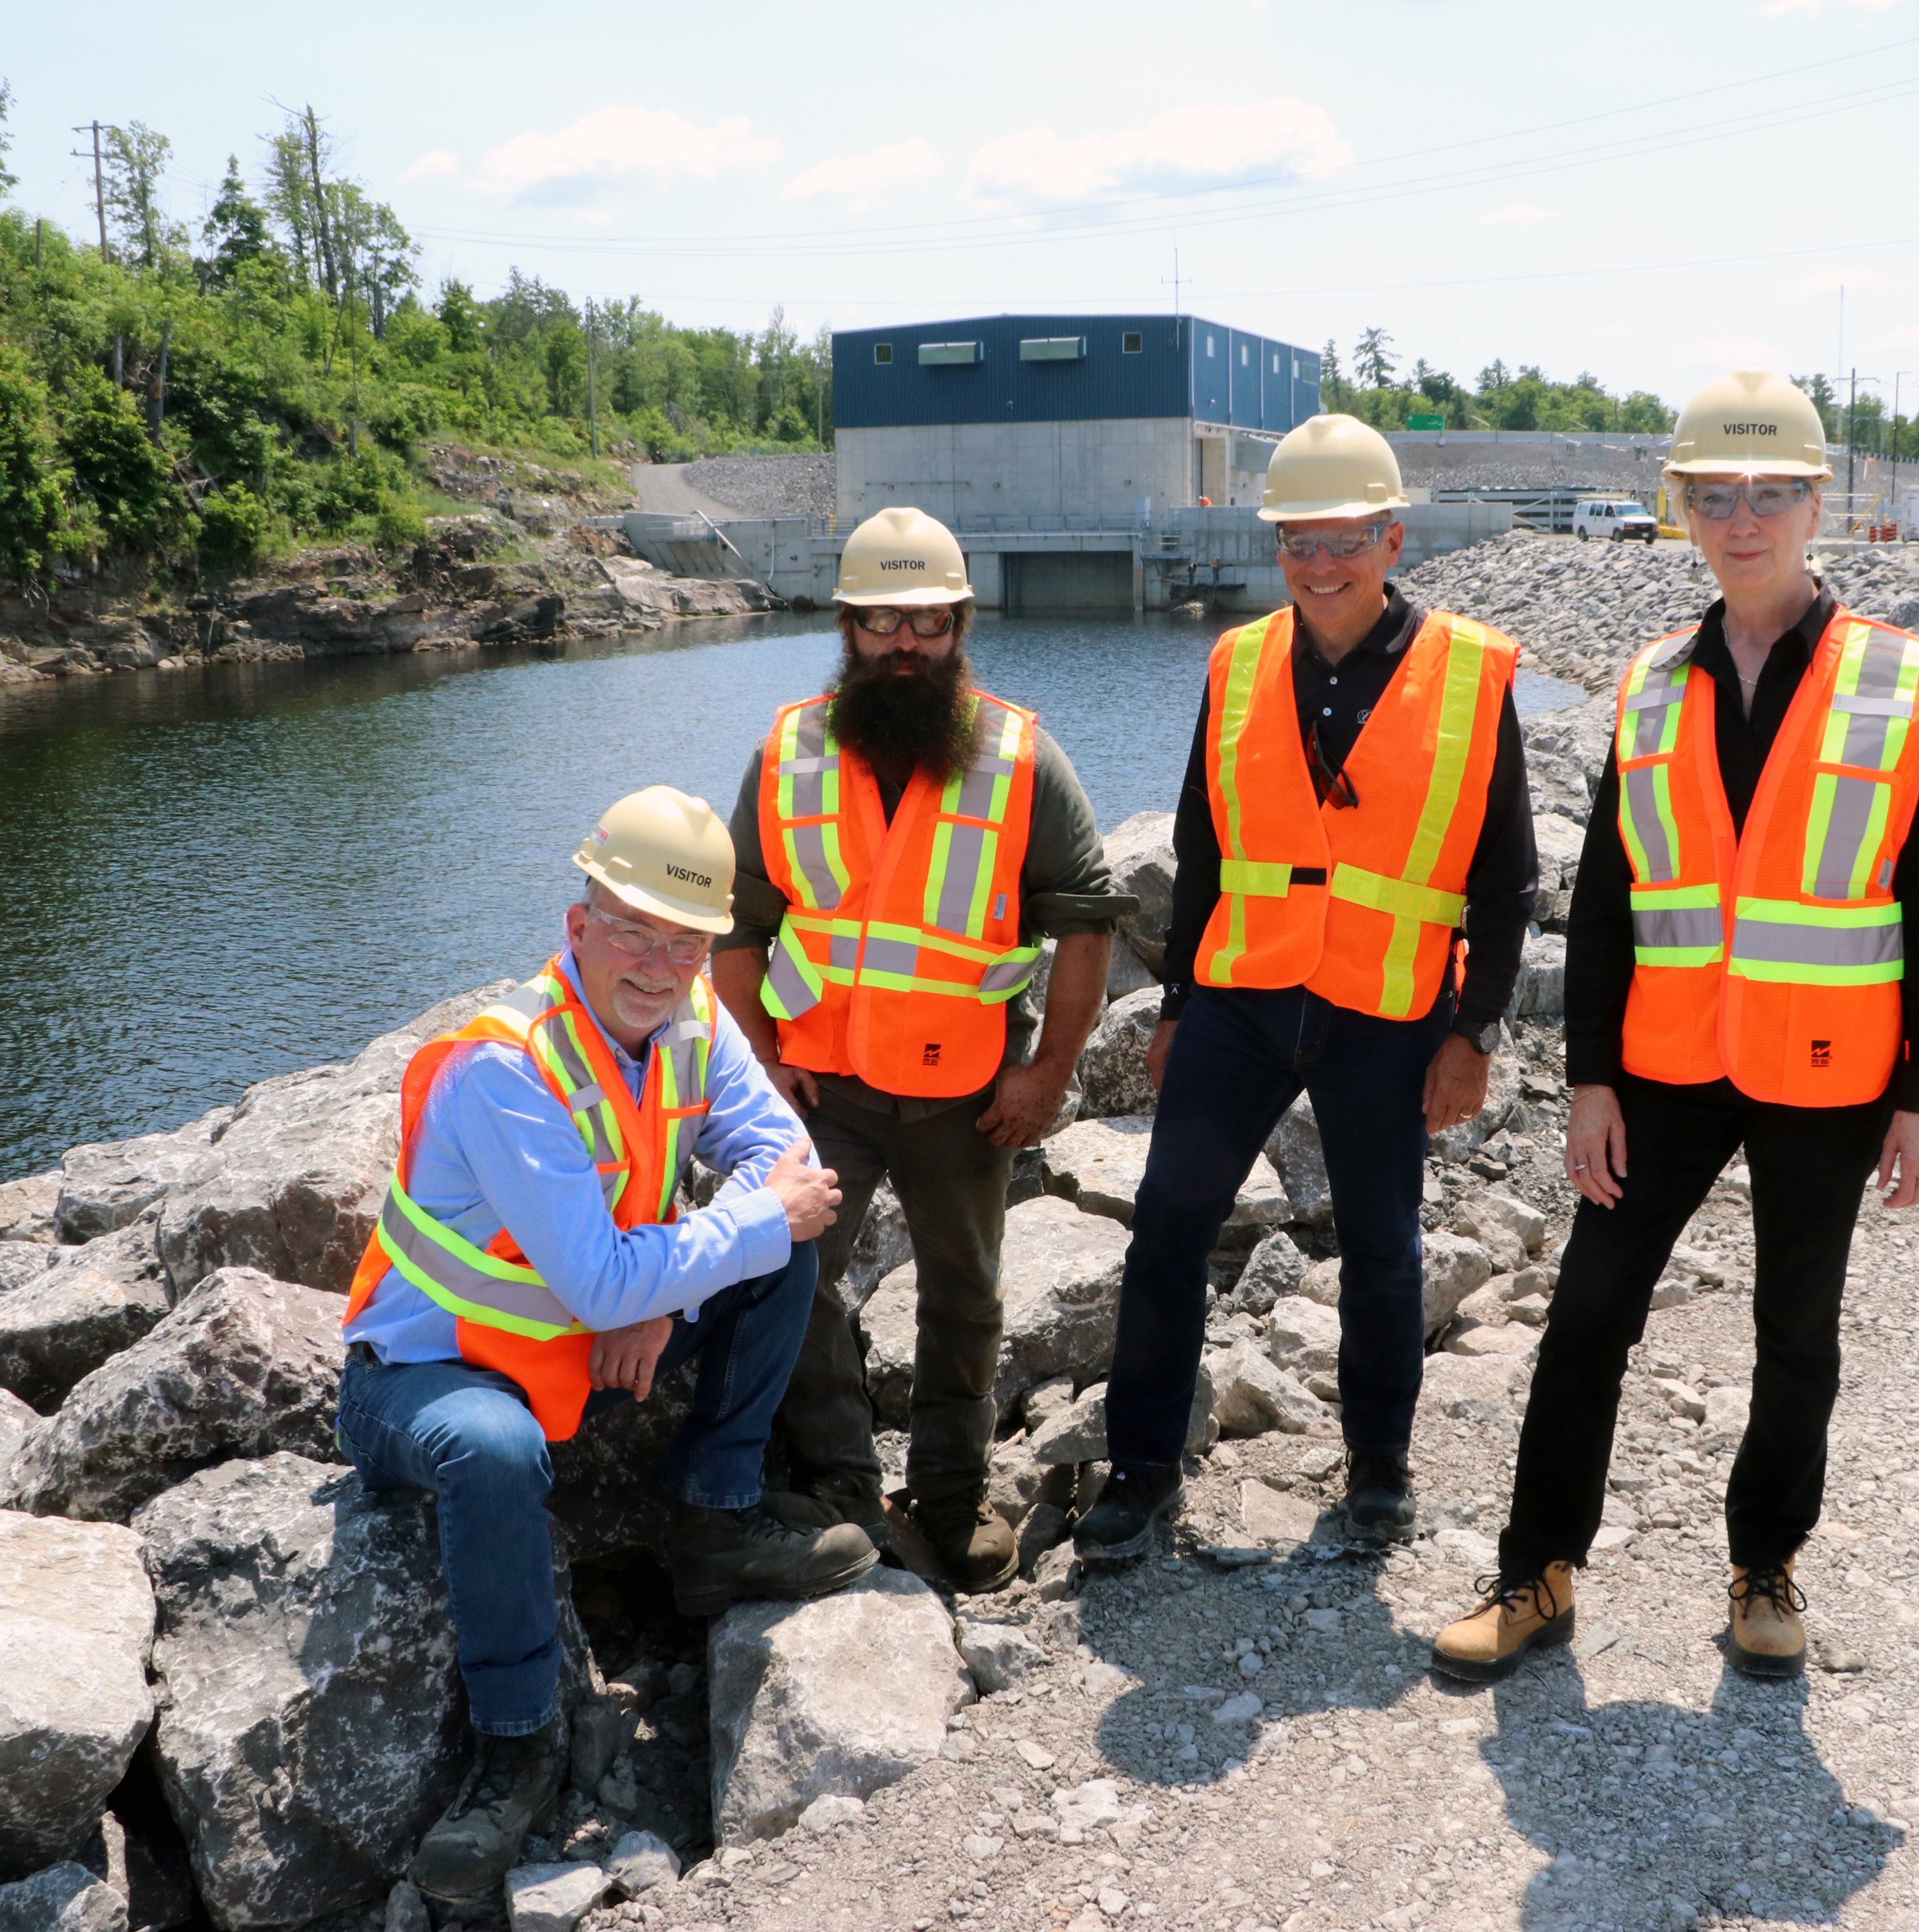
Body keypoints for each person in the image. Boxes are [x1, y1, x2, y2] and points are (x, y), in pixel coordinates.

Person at [1429, 369, 1919, 1686]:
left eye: (1770, 495)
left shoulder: (1894, 684)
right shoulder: (1654, 685)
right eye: (1715, 499)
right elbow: (1606, 904)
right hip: (1665, 1067)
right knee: (1589, 1315)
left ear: (1815, 503)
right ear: (1681, 510)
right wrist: (1591, 1081)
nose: (1743, 522)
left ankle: (1765, 1569)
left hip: (1828, 1069)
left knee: (1798, 1332)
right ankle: (1537, 1571)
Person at [335, 786, 874, 1903]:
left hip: (580, 1346)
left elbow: (787, 1154)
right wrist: (661, 1271)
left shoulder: (692, 1018)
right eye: (631, 926)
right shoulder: (508, 1066)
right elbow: (606, 1271)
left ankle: (716, 1524)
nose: (657, 959)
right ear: (578, 925)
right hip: (432, 1376)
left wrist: (661, 1293)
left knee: (780, 1250)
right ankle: (518, 1744)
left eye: (685, 939)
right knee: (492, 1450)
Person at [1075, 413, 1540, 1562]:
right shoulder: (1238, 663)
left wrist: (1472, 1030)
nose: (1319, 564)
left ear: (1392, 537)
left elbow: (1507, 873)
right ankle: (1140, 1471)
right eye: (1298, 541)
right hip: (1240, 997)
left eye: (1344, 540)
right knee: (1170, 1229)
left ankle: (1379, 1463)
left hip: (1387, 1011)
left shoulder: (1471, 674)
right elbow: (1199, 842)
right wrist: (1179, 1004)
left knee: (1384, 1242)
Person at [716, 507, 1130, 1592]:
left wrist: (1049, 1074)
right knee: (789, 1274)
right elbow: (737, 926)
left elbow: (1087, 920)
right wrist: (761, 1058)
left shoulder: (1021, 756)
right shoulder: (789, 750)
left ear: (961, 624)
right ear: (846, 627)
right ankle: (845, 1487)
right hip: (820, 1087)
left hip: (966, 1093)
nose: (906, 644)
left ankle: (949, 1500)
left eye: (929, 623)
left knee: (966, 1293)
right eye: (882, 622)